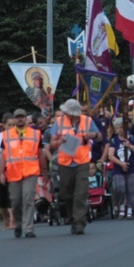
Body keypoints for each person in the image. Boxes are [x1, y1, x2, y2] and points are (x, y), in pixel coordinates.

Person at [47, 98, 102, 235]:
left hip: (82, 161)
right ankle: (72, 217)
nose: (67, 114)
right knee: (66, 193)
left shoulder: (87, 120)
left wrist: (93, 135)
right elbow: (52, 144)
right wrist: (60, 141)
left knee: (80, 193)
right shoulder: (59, 122)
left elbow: (100, 137)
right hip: (64, 161)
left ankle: (79, 222)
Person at [0, 108, 47, 238]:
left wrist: (45, 171)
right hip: (13, 173)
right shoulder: (7, 135)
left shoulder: (35, 134)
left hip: (31, 171)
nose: (20, 119)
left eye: (22, 117)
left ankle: (28, 228)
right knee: (15, 201)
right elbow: (3, 156)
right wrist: (1, 173)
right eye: (17, 117)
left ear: (26, 118)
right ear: (14, 119)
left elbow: (40, 153)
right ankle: (18, 223)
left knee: (28, 198)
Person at [108, 117, 134, 219]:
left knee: (132, 188)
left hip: (132, 167)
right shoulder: (114, 140)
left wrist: (130, 146)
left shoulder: (131, 138)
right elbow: (111, 155)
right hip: (118, 168)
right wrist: (121, 164)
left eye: (121, 127)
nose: (119, 129)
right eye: (117, 128)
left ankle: (131, 208)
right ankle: (121, 205)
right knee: (119, 187)